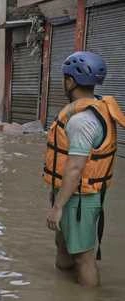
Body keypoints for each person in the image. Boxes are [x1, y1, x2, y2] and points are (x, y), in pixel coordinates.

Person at [44, 52, 125, 287]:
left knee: (83, 258)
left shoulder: (81, 122)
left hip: (80, 198)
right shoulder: (95, 108)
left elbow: (75, 168)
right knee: (64, 248)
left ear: (70, 81)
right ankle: (63, 290)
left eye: (64, 78)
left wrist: (57, 207)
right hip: (75, 194)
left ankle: (88, 293)